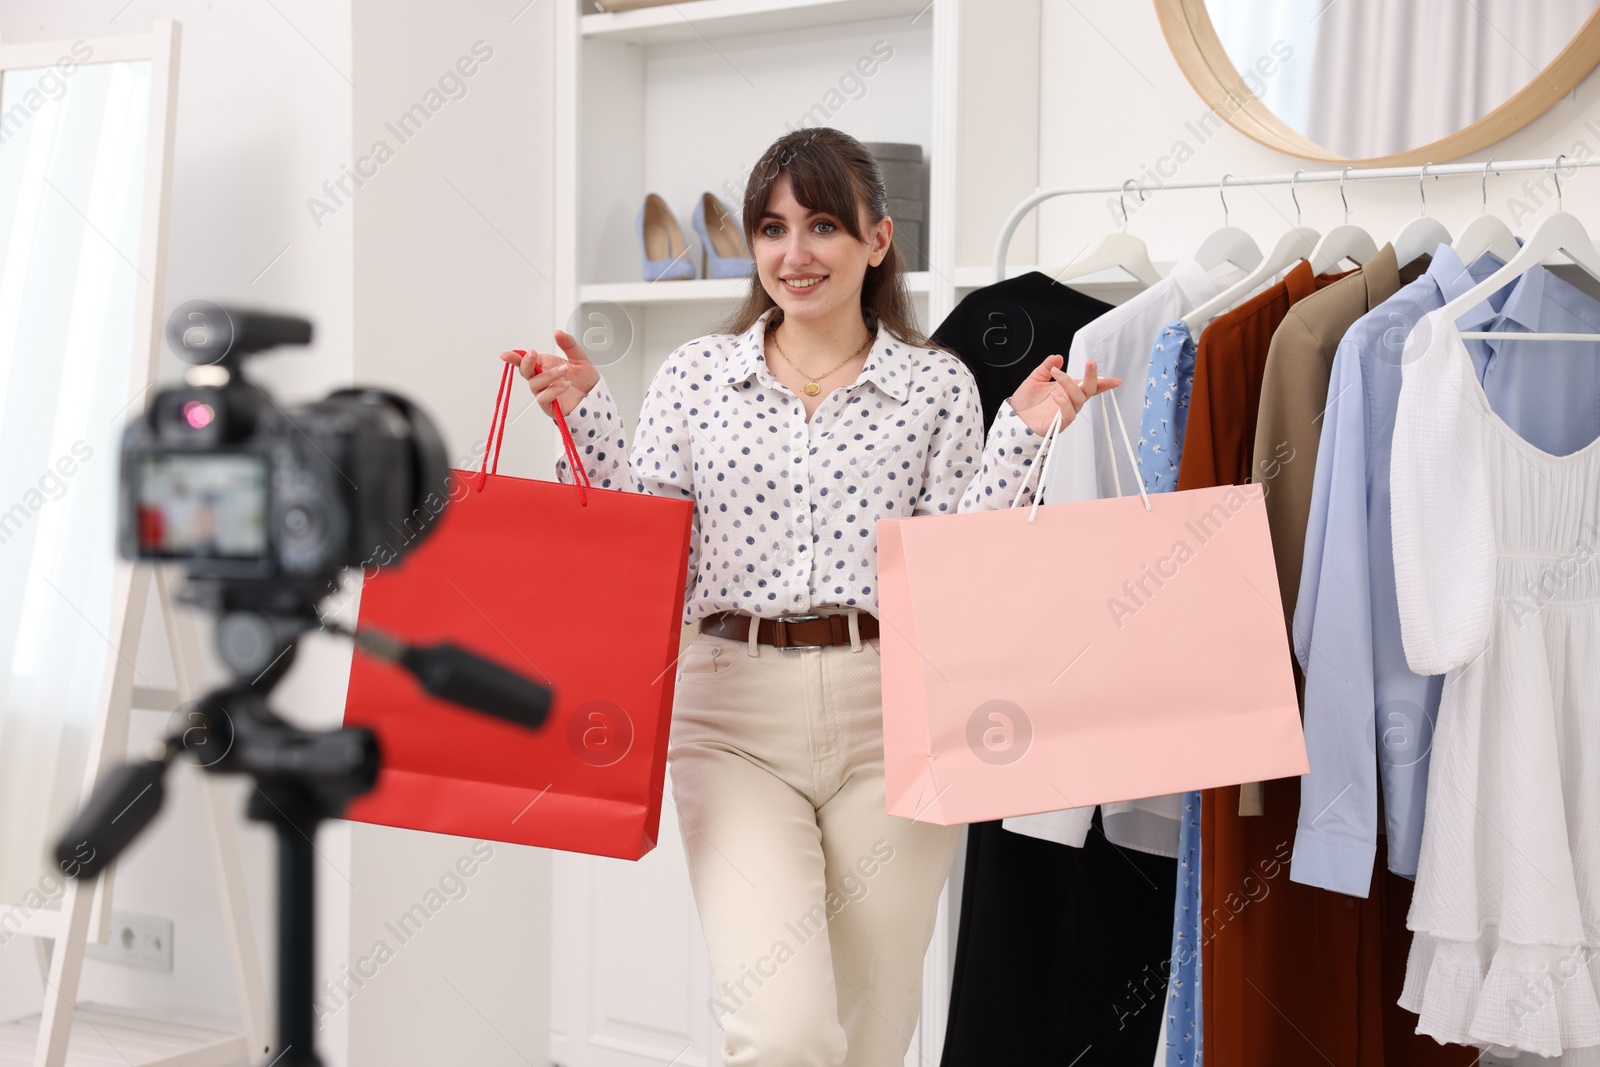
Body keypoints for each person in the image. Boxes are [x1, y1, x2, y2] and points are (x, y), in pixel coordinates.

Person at [501, 127, 1118, 1067]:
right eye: (772, 228)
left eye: (823, 225)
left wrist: (1023, 435)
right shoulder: (696, 376)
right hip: (730, 717)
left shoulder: (937, 385)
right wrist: (583, 410)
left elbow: (963, 568)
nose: (795, 254)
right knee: (782, 1031)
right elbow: (642, 550)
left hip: (895, 715)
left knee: (870, 1036)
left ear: (877, 241)